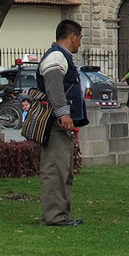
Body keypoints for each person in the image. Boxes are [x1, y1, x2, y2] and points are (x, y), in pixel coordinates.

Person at [38, 19, 89, 227]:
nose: (80, 43)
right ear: (73, 36)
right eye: (80, 38)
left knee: (64, 170)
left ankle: (61, 214)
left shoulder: (61, 56)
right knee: (55, 169)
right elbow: (54, 87)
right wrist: (63, 113)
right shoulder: (57, 56)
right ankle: (53, 216)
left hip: (60, 123)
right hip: (56, 123)